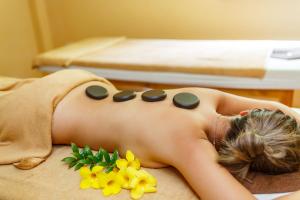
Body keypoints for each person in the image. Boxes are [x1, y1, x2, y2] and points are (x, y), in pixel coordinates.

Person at [51, 78, 300, 200]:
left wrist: (285, 123)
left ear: (245, 114)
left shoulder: (203, 97)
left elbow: (275, 106)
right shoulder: (190, 145)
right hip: (42, 116)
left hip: (71, 84)